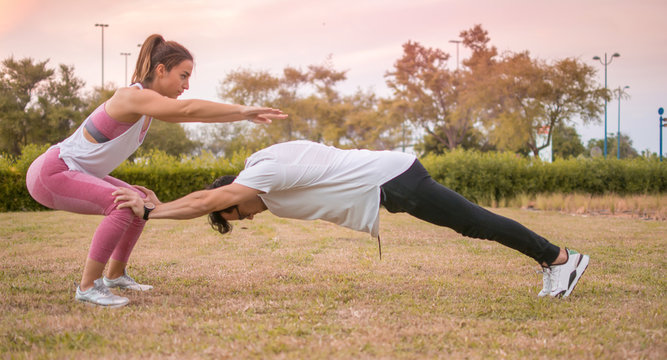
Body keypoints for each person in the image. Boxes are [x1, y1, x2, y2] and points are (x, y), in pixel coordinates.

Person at [114, 140, 589, 299]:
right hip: (391, 186)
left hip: (395, 179)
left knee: (475, 223)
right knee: (472, 224)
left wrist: (153, 212)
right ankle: (555, 260)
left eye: (235, 214)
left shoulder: (263, 175)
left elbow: (203, 200)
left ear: (231, 197)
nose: (247, 218)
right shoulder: (267, 181)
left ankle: (559, 258)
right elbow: (209, 199)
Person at [25, 34, 287, 308]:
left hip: (72, 169)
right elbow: (186, 110)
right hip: (52, 171)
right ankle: (88, 286)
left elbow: (188, 112)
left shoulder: (146, 106)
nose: (186, 85)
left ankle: (115, 276)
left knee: (139, 199)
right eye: (183, 76)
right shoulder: (130, 97)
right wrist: (243, 110)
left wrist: (242, 115)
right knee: (124, 205)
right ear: (161, 69)